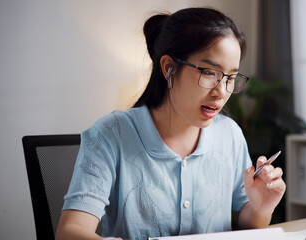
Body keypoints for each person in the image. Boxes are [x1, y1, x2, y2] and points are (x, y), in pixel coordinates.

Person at [56, 7, 285, 240]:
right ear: (169, 68)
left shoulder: (230, 135)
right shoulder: (110, 134)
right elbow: (69, 232)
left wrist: (260, 207)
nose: (221, 92)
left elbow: (245, 224)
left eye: (230, 78)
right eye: (208, 73)